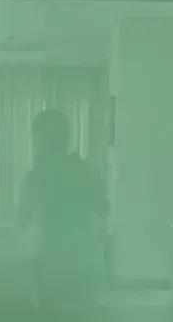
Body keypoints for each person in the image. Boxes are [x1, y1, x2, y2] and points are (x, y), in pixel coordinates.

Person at [20, 109, 108, 306]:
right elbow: (103, 209)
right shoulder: (86, 171)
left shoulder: (35, 177)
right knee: (82, 319)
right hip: (82, 263)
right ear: (66, 139)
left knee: (50, 321)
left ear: (39, 140)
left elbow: (23, 219)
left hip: (49, 266)